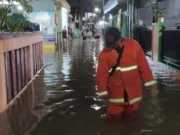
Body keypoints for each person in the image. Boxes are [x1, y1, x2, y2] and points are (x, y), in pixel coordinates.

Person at [96, 27, 157, 121]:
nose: (112, 46)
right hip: (116, 95)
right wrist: (102, 92)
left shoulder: (133, 45)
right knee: (113, 118)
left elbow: (143, 66)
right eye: (109, 44)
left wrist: (150, 84)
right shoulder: (104, 54)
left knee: (133, 119)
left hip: (134, 94)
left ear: (120, 38)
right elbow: (101, 75)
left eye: (114, 43)